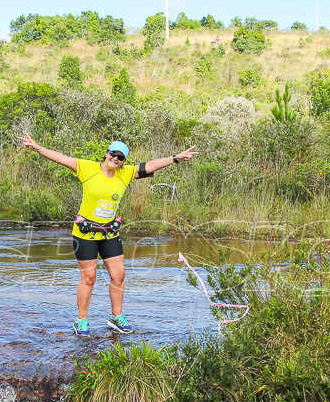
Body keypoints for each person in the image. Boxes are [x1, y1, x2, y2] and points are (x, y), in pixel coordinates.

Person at [20, 132, 200, 336]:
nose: (116, 159)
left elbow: (149, 165)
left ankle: (116, 317)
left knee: (119, 275)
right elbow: (60, 158)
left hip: (109, 234)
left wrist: (176, 158)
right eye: (113, 154)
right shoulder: (87, 168)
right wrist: (37, 148)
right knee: (89, 278)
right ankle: (81, 321)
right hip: (85, 234)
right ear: (106, 153)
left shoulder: (125, 173)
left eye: (121, 157)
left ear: (123, 161)